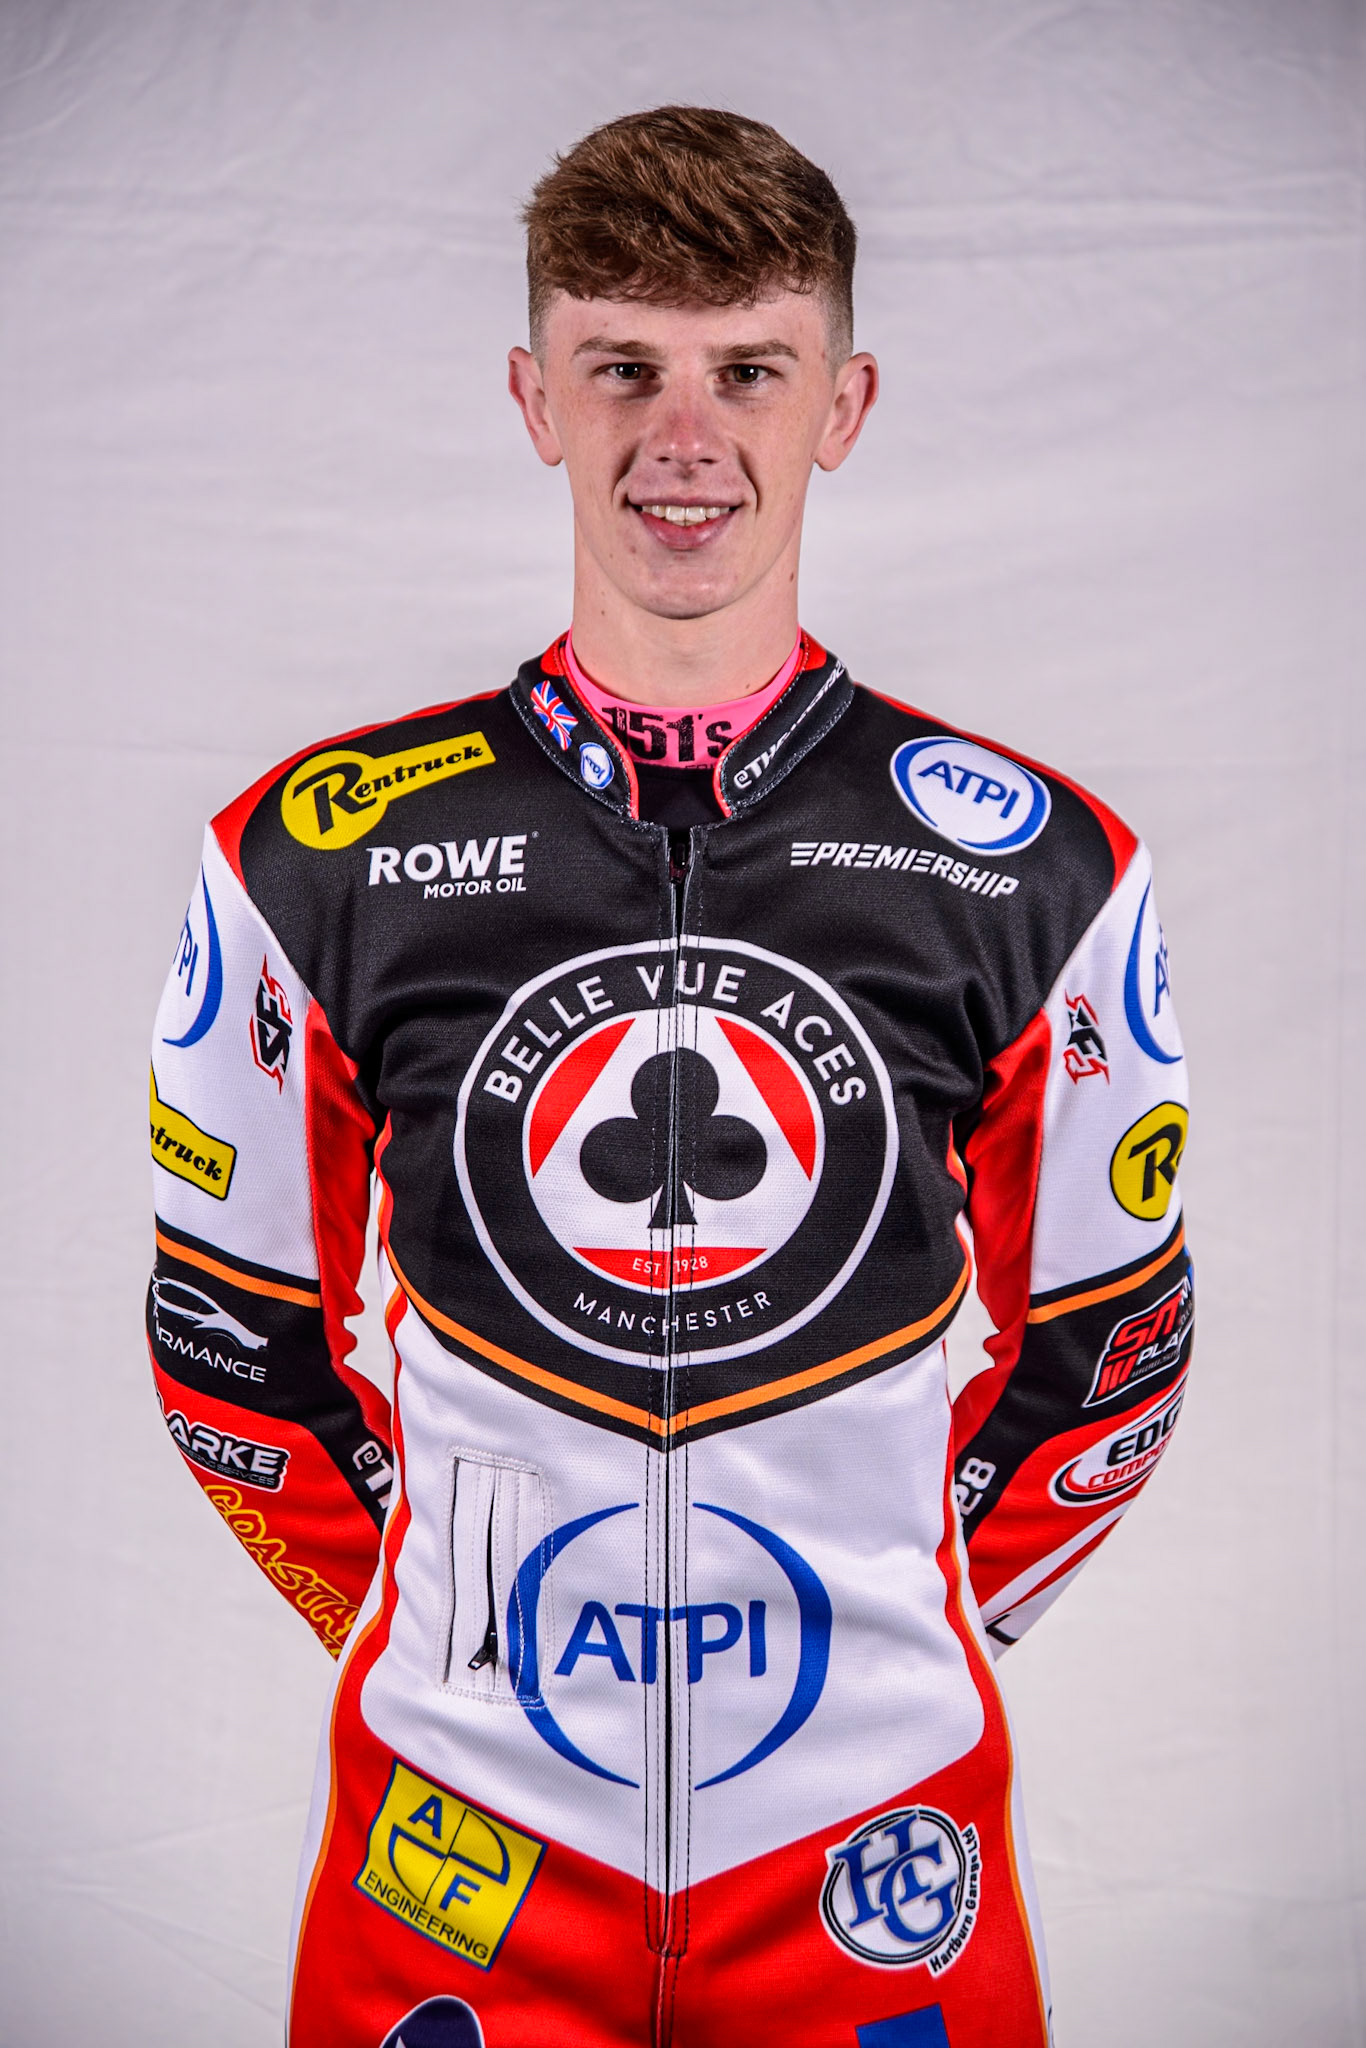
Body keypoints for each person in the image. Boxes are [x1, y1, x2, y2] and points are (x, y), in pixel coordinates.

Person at [146, 106, 1193, 2048]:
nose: (681, 434)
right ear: (536, 396)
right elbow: (227, 1341)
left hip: (875, 1849)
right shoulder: (309, 850)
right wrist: (449, 1633)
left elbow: (1111, 1346)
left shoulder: (1043, 868)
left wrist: (883, 1613)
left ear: (843, 403)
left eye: (747, 371)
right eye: (622, 366)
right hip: (453, 1850)